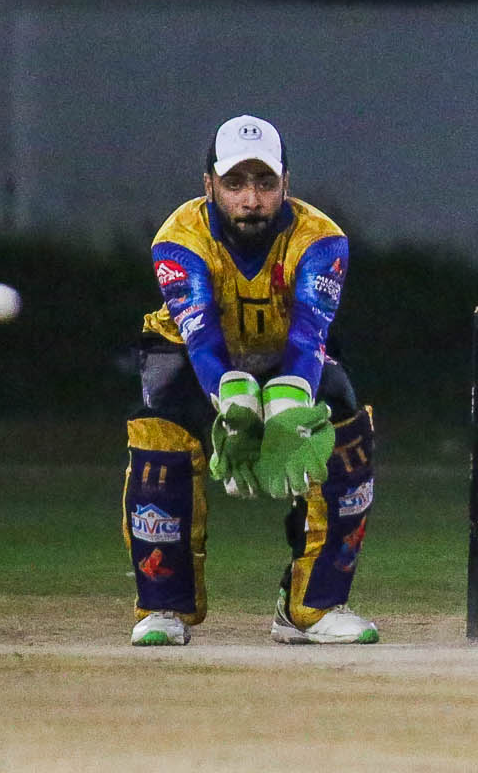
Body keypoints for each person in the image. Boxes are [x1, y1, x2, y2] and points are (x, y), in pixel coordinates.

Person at [123, 114, 379, 646]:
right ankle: (164, 608)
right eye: (235, 183)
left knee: (345, 433)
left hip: (286, 351)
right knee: (160, 438)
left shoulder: (322, 239)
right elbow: (200, 336)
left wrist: (288, 404)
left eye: (265, 183)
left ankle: (311, 607)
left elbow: (309, 335)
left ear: (286, 183)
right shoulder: (179, 238)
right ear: (209, 185)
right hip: (191, 352)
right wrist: (234, 402)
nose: (251, 200)